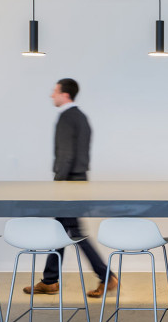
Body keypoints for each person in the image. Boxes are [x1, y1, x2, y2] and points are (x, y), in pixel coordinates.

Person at [24, 78, 117, 298]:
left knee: (74, 232)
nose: (51, 95)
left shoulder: (67, 117)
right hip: (79, 180)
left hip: (68, 183)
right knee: (62, 230)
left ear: (65, 94)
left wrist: (59, 184)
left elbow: (66, 154)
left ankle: (106, 276)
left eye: (54, 91)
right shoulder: (81, 117)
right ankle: (50, 280)